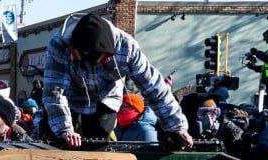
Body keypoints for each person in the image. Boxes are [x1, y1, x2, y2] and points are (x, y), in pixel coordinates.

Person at [43, 13, 192, 149]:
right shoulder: (60, 46)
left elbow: (154, 88)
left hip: (105, 97)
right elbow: (55, 92)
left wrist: (176, 127)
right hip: (70, 96)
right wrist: (64, 130)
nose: (93, 65)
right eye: (84, 58)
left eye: (101, 60)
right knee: (57, 142)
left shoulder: (127, 48)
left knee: (97, 146)